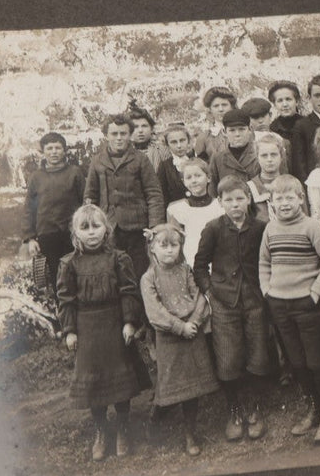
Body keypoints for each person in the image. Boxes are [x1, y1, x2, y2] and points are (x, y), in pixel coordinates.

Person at [58, 204, 151, 461]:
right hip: (86, 328)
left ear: (106, 229)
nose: (91, 233)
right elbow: (65, 300)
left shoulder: (119, 259)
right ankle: (101, 430)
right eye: (84, 228)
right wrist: (69, 331)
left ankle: (122, 427)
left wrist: (130, 322)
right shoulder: (69, 263)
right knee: (94, 382)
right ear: (76, 233)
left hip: (114, 323)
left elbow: (129, 292)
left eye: (96, 226)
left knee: (119, 379)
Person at [259, 175, 320, 443]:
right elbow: (263, 263)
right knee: (297, 361)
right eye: (278, 198)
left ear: (300, 199)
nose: (284, 203)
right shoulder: (270, 229)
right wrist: (267, 291)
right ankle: (312, 409)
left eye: (289, 197)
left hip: (306, 304)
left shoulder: (312, 227)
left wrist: (315, 293)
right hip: (279, 305)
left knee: (317, 359)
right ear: (271, 202)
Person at [194, 176, 273, 441]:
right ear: (220, 202)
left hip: (254, 300)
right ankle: (235, 409)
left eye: (240, 198)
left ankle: (255, 408)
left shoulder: (261, 228)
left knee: (258, 355)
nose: (235, 204)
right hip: (224, 301)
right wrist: (209, 292)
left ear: (248, 199)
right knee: (228, 358)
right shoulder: (214, 228)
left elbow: (268, 261)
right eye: (229, 200)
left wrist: (265, 290)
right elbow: (199, 264)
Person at [140, 223, 218, 456]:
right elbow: (155, 312)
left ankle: (189, 433)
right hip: (169, 336)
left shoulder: (185, 270)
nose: (169, 250)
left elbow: (199, 296)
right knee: (169, 385)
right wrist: (179, 327)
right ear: (152, 248)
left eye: (174, 245)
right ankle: (154, 422)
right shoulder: (149, 278)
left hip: (192, 333)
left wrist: (194, 320)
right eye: (163, 246)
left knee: (192, 388)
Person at [84, 113, 166, 285]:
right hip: (109, 228)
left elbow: (154, 193)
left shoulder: (140, 160)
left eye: (123, 133)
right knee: (114, 274)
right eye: (114, 134)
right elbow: (90, 196)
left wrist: (155, 225)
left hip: (137, 229)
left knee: (139, 273)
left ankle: (139, 310)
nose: (119, 138)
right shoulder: (97, 161)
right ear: (106, 135)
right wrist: (93, 225)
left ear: (130, 135)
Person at [21, 131, 84, 294]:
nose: (54, 152)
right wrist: (30, 238)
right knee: (57, 277)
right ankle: (62, 312)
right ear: (43, 152)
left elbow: (85, 203)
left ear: (65, 151)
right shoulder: (36, 177)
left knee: (77, 273)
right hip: (47, 234)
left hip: (72, 234)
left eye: (58, 148)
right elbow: (29, 208)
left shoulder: (75, 173)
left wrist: (82, 229)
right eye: (49, 148)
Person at [166, 158, 224, 265]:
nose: (194, 180)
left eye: (198, 176)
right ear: (184, 182)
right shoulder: (177, 210)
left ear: (208, 178)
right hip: (189, 262)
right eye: (189, 177)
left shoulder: (220, 207)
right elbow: (175, 241)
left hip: (217, 262)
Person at [289, 76, 320, 181]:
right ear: (309, 98)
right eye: (317, 96)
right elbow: (299, 163)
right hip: (315, 180)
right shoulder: (301, 125)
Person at [207, 107, 260, 188]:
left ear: (250, 129)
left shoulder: (259, 154)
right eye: (232, 130)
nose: (237, 134)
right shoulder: (217, 159)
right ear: (224, 132)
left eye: (242, 129)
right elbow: (213, 189)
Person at [156, 122, 201, 206]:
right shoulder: (165, 166)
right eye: (173, 142)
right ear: (167, 145)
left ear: (188, 141)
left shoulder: (200, 161)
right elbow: (162, 195)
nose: (179, 146)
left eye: (182, 140)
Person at [248, 133, 288, 222]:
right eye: (264, 155)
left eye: (273, 154)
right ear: (257, 158)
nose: (269, 159)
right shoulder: (250, 188)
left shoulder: (292, 184)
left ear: (281, 156)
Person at [192, 86, 237, 159]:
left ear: (231, 107)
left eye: (224, 105)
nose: (221, 109)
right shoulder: (204, 137)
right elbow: (200, 163)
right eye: (216, 106)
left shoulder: (242, 130)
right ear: (210, 109)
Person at [128, 100, 169, 168]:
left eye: (144, 126)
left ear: (151, 129)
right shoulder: (122, 153)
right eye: (135, 127)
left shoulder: (162, 151)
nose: (140, 130)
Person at [267, 80, 303, 144]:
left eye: (288, 99)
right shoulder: (272, 130)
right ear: (274, 105)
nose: (285, 104)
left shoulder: (308, 126)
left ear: (297, 101)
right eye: (280, 101)